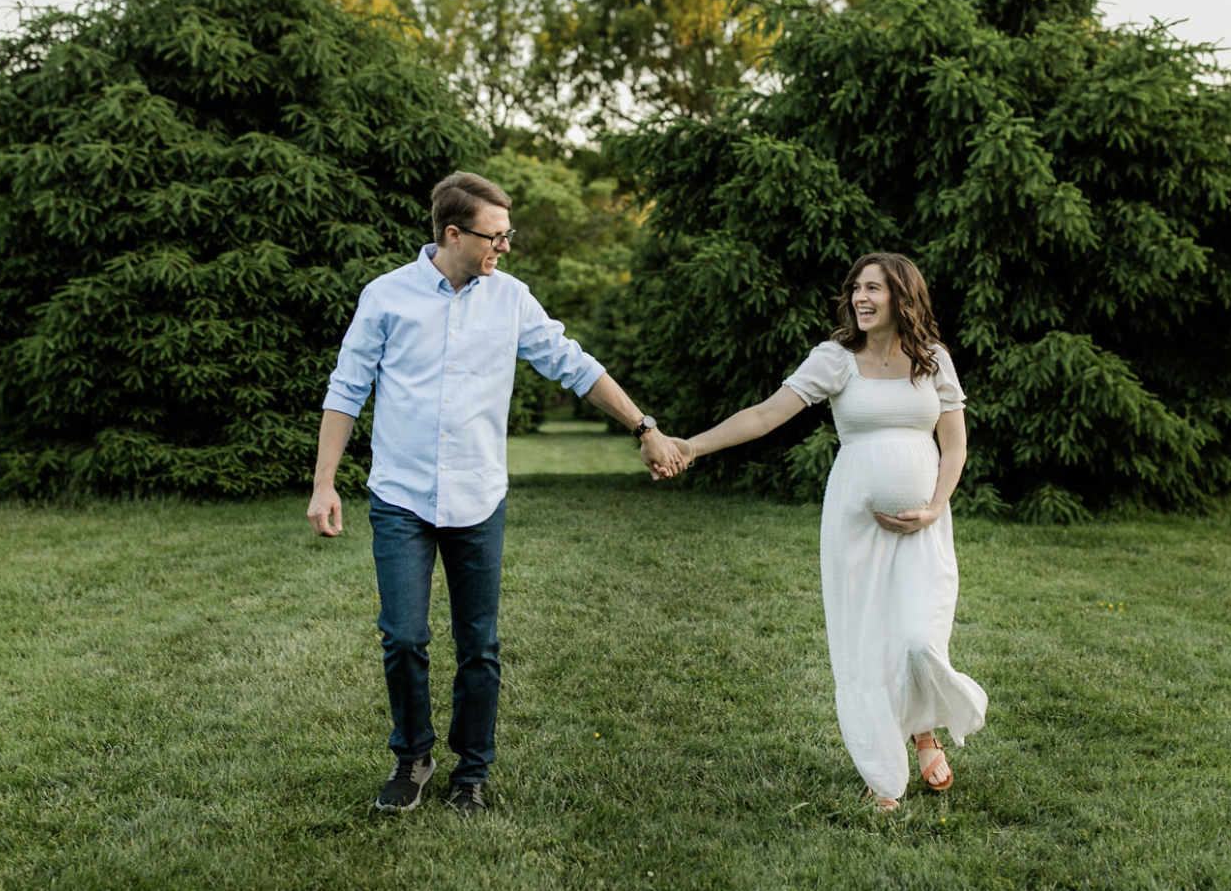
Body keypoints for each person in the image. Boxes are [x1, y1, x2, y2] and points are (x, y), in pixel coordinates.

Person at [308, 171, 683, 817]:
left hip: (478, 497)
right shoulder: (386, 296)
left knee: (479, 645)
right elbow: (347, 388)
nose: (506, 247)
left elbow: (574, 364)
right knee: (404, 637)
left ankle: (472, 773)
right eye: (496, 236)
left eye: (509, 235)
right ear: (453, 234)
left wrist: (643, 427)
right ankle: (412, 757)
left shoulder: (511, 300)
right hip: (401, 497)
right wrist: (324, 484)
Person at [665, 252, 985, 810]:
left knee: (918, 639)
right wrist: (692, 446)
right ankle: (883, 776)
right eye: (856, 288)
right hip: (855, 525)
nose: (861, 297)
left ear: (902, 296)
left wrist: (935, 507)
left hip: (924, 528)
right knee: (867, 645)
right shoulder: (835, 359)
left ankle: (924, 729)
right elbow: (764, 416)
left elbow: (954, 445)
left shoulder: (933, 360)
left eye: (874, 288)